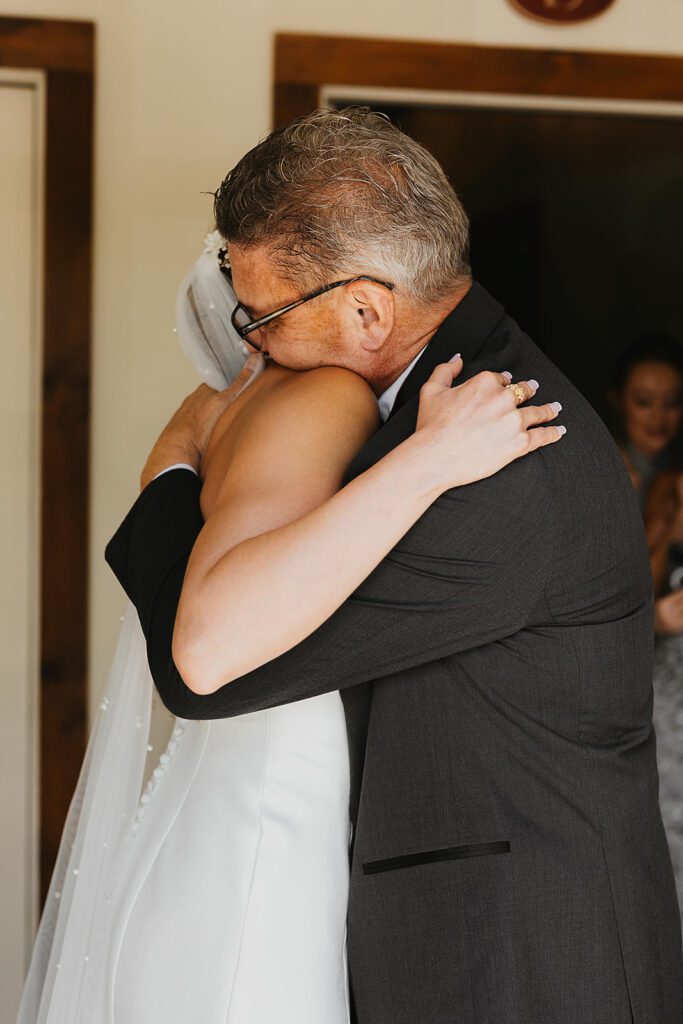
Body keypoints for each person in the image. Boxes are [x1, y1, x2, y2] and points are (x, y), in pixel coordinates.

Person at [105, 108, 682, 1023]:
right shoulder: (437, 409)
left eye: (260, 316)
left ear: (367, 307)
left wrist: (174, 462)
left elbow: (209, 671)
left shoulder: (498, 461)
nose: (246, 342)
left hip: (521, 963)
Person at [15, 230, 559, 1023]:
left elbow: (171, 549)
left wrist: (170, 456)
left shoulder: (215, 409)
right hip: (261, 834)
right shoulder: (324, 400)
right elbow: (218, 634)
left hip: (199, 817)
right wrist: (432, 456)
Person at [611, 335, 683, 915]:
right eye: (643, 401)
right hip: (628, 672)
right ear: (618, 401)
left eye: (671, 401)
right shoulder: (603, 471)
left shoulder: (676, 481)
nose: (658, 417)